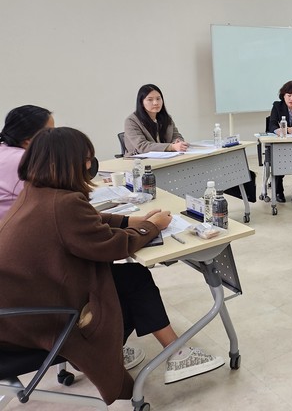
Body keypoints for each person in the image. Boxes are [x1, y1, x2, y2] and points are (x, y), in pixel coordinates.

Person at [0, 127, 224, 403]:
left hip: (18, 313)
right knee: (131, 283)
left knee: (128, 279)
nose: (89, 166)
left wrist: (131, 221)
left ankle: (145, 350)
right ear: (69, 163)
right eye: (86, 159)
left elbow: (86, 221)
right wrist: (151, 227)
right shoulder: (63, 204)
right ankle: (177, 354)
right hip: (39, 321)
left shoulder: (37, 192)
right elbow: (113, 246)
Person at [0, 105, 54, 221]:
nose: (53, 138)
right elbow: (50, 199)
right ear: (28, 139)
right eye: (49, 132)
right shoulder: (24, 159)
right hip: (13, 225)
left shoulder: (4, 150)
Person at [124, 84, 189, 156]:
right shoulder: (131, 121)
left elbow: (176, 135)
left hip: (167, 157)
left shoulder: (166, 118)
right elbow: (142, 146)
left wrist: (177, 143)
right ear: (141, 102)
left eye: (158, 99)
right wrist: (171, 147)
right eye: (150, 99)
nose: (155, 103)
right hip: (140, 159)